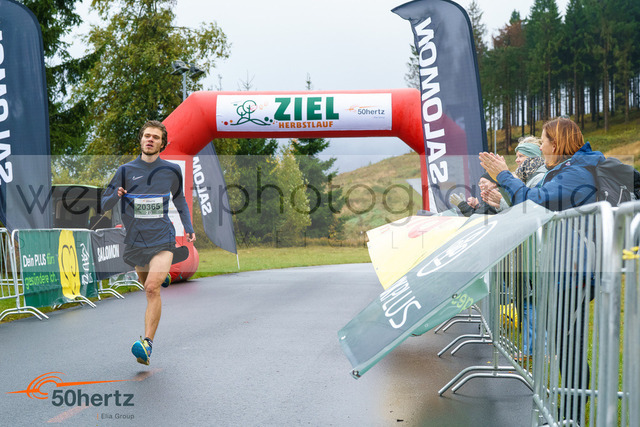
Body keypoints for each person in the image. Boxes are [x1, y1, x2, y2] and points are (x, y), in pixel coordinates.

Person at [480, 117, 604, 423]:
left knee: (568, 344)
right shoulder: (569, 169)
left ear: (556, 143)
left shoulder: (578, 171)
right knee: (566, 342)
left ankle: (571, 414)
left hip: (576, 271)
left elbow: (533, 201)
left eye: (544, 141)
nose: (541, 146)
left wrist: (504, 175)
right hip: (567, 268)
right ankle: (569, 410)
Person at [102, 120, 196, 365]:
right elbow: (103, 204)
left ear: (162, 144)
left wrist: (188, 227)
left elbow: (180, 200)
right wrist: (115, 195)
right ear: (141, 139)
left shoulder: (171, 170)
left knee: (152, 288)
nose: (150, 140)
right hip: (136, 240)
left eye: (155, 137)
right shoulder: (125, 170)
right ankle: (161, 275)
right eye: (147, 136)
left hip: (163, 237)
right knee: (147, 285)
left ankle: (147, 345)